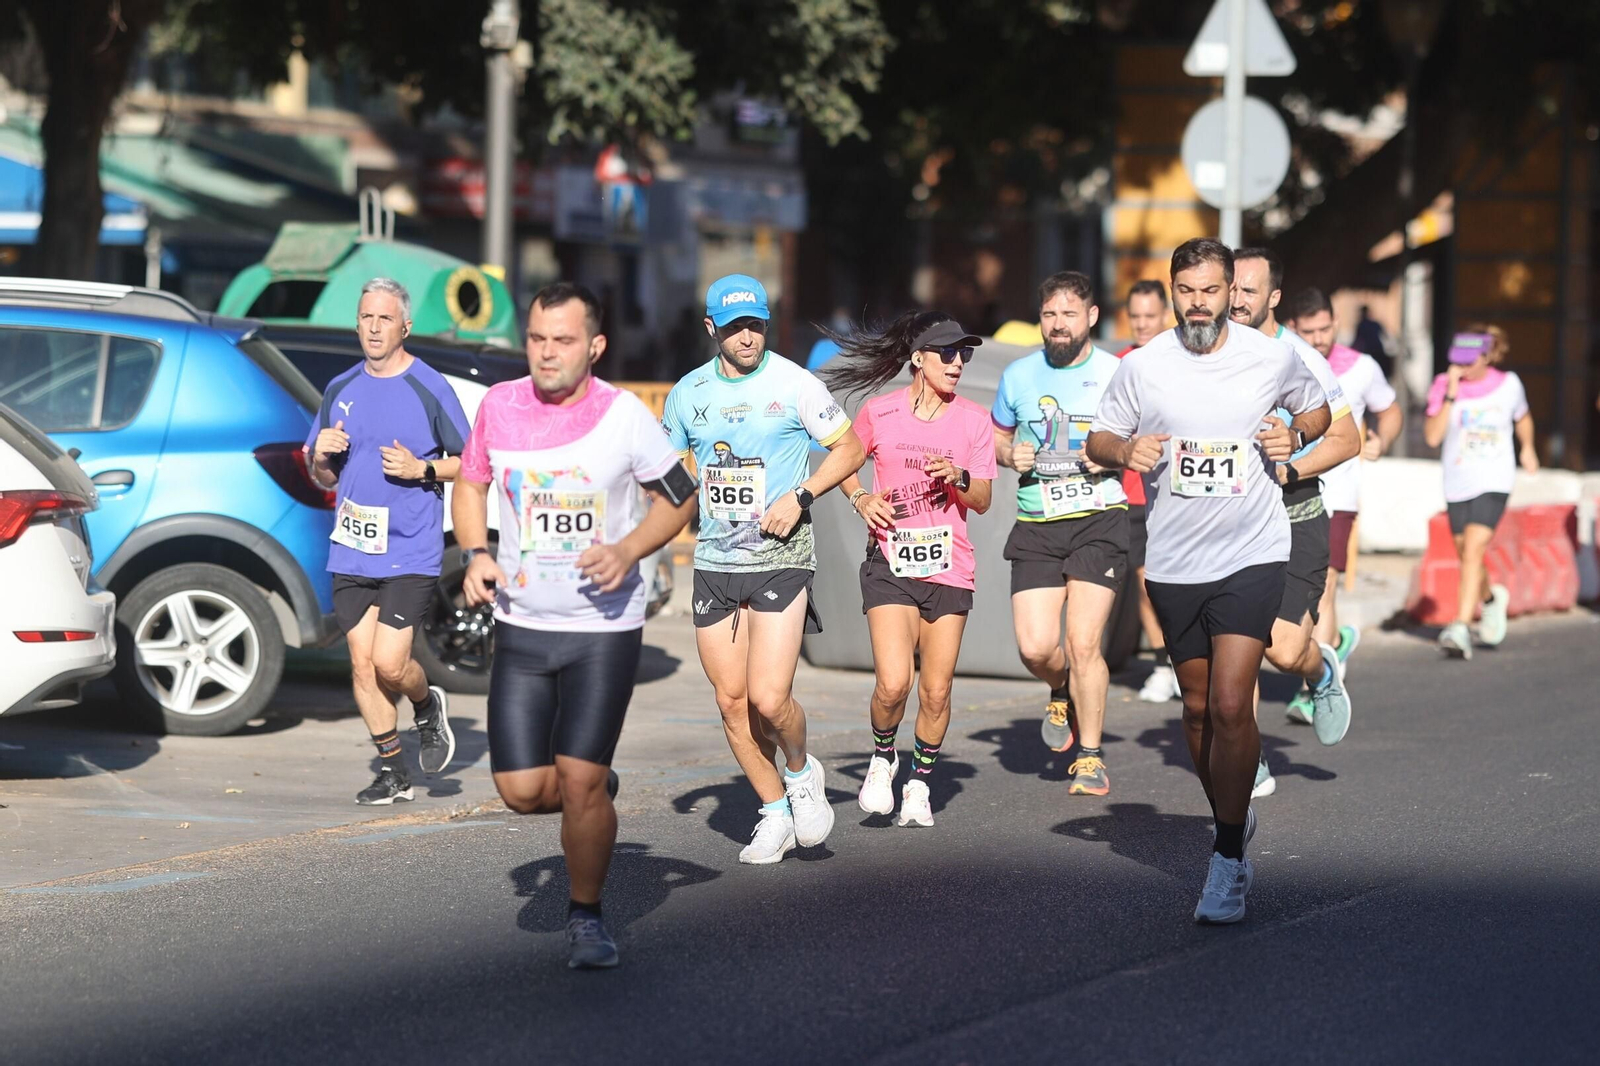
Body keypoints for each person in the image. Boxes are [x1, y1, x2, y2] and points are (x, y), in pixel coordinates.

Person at [1088, 237, 1333, 924]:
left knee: (1231, 704)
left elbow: (1316, 412)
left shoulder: (1270, 355)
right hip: (1173, 561)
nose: (1199, 302)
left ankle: (1226, 858)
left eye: (1211, 289)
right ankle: (1230, 817)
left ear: (1233, 291)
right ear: (1173, 291)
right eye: (1187, 290)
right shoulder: (1144, 367)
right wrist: (1124, 449)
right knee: (1196, 710)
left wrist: (1293, 429)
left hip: (1253, 551)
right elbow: (1098, 439)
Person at [454, 282, 696, 970]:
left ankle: (586, 917)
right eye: (537, 338)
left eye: (563, 340)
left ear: (594, 346)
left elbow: (679, 497)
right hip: (523, 628)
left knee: (578, 781)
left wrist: (628, 549)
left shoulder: (625, 417)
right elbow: (469, 483)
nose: (547, 352)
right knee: (524, 792)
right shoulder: (499, 407)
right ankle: (595, 791)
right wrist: (475, 552)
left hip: (602, 631)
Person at [661, 274, 866, 864]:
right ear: (711, 329)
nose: (747, 336)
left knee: (770, 699)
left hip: (782, 558)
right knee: (732, 703)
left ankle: (802, 775)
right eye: (734, 327)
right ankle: (773, 810)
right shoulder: (687, 392)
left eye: (755, 324)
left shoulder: (795, 383)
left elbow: (849, 450)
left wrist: (801, 495)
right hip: (715, 561)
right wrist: (681, 496)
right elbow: (672, 468)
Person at [823, 312, 997, 827]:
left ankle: (919, 783)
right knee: (894, 684)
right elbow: (842, 461)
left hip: (949, 566)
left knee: (937, 691)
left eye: (963, 354)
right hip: (890, 562)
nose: (957, 363)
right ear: (917, 359)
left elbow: (983, 498)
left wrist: (960, 476)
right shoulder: (880, 413)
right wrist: (860, 499)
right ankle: (882, 756)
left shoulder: (972, 419)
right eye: (947, 353)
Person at [307, 278, 472, 805]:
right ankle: (393, 771)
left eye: (384, 319)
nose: (374, 328)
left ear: (405, 326)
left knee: (389, 664)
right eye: (366, 318)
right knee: (360, 663)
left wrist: (423, 467)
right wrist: (320, 457)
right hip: (352, 546)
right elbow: (325, 478)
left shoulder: (429, 387)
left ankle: (426, 707)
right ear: (356, 324)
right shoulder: (340, 389)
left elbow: (473, 462)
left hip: (410, 547)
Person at [992, 271, 1129, 797]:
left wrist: (1111, 457)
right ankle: (1058, 688)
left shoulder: (1117, 373)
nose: (1058, 324)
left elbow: (1140, 439)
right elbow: (998, 438)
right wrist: (1009, 454)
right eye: (1050, 314)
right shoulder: (1018, 375)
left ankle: (1090, 758)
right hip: (1037, 522)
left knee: (1083, 641)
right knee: (1035, 647)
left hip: (1100, 519)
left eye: (1069, 314)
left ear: (1091, 317)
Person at [1230, 249, 1360, 798]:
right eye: (1229, 289)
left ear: (1274, 298)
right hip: (1233, 524)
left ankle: (1320, 670)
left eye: (1249, 291)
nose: (1236, 301)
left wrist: (1291, 462)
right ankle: (1248, 757)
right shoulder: (1209, 354)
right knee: (1237, 646)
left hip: (1295, 518)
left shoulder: (1301, 357)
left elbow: (1348, 439)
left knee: (1281, 650)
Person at [1286, 287, 1403, 723]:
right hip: (1290, 493)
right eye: (1309, 330)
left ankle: (1310, 688)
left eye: (1325, 328)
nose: (1318, 339)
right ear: (1293, 327)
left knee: (1325, 586)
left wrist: (1380, 439)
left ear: (1336, 323)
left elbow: (1389, 411)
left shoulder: (1361, 367)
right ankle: (1330, 650)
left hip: (1338, 493)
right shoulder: (1284, 363)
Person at [1422, 327, 1538, 658]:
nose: (1464, 368)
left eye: (1470, 362)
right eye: (1458, 362)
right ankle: (1489, 599)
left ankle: (1459, 626)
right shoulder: (1445, 386)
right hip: (1458, 480)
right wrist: (1451, 393)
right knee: (1465, 552)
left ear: (1487, 357)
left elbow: (1523, 417)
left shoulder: (1509, 384)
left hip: (1495, 478)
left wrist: (1527, 447)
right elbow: (1432, 436)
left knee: (1473, 548)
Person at [1118, 279, 1180, 703]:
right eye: (1135, 317)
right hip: (1132, 494)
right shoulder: (1119, 364)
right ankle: (1162, 664)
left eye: (1150, 317)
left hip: (1182, 491)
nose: (1142, 325)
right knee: (1145, 584)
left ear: (1165, 316)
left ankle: (1189, 658)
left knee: (1185, 581)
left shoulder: (1185, 361)